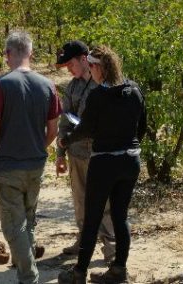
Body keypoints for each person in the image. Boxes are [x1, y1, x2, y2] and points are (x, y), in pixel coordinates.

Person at [0, 31, 61, 284]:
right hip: (36, 165)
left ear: (7, 55)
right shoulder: (48, 85)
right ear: (31, 54)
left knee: (14, 226)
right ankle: (23, 265)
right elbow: (53, 130)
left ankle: (28, 276)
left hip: (9, 167)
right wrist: (36, 146)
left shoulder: (0, 85)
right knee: (28, 220)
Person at [57, 45, 147, 284]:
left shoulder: (98, 96)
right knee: (120, 217)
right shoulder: (134, 90)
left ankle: (78, 274)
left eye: (92, 66)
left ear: (98, 67)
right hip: (130, 161)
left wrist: (67, 140)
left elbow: (85, 129)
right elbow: (142, 126)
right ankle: (119, 269)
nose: (91, 71)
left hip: (104, 162)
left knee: (92, 218)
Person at [55, 40, 115, 261]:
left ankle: (111, 247)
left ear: (84, 59)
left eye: (70, 64)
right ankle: (83, 241)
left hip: (101, 153)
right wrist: (60, 154)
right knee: (80, 200)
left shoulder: (105, 83)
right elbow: (64, 122)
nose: (69, 70)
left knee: (105, 202)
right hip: (77, 153)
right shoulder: (72, 86)